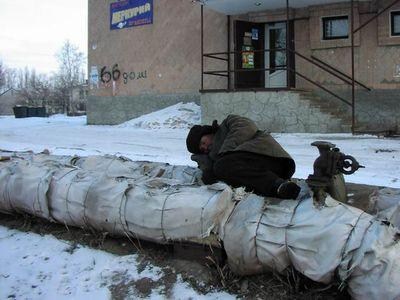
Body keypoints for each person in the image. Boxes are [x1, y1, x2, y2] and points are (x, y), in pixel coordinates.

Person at [186, 114, 300, 199]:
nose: (205, 147)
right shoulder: (216, 159)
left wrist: (224, 154)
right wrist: (208, 167)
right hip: (262, 171)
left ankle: (278, 185)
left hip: (270, 157)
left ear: (206, 132)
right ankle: (279, 190)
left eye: (203, 142)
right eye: (202, 150)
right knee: (221, 170)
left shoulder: (228, 123)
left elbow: (247, 127)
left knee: (222, 166)